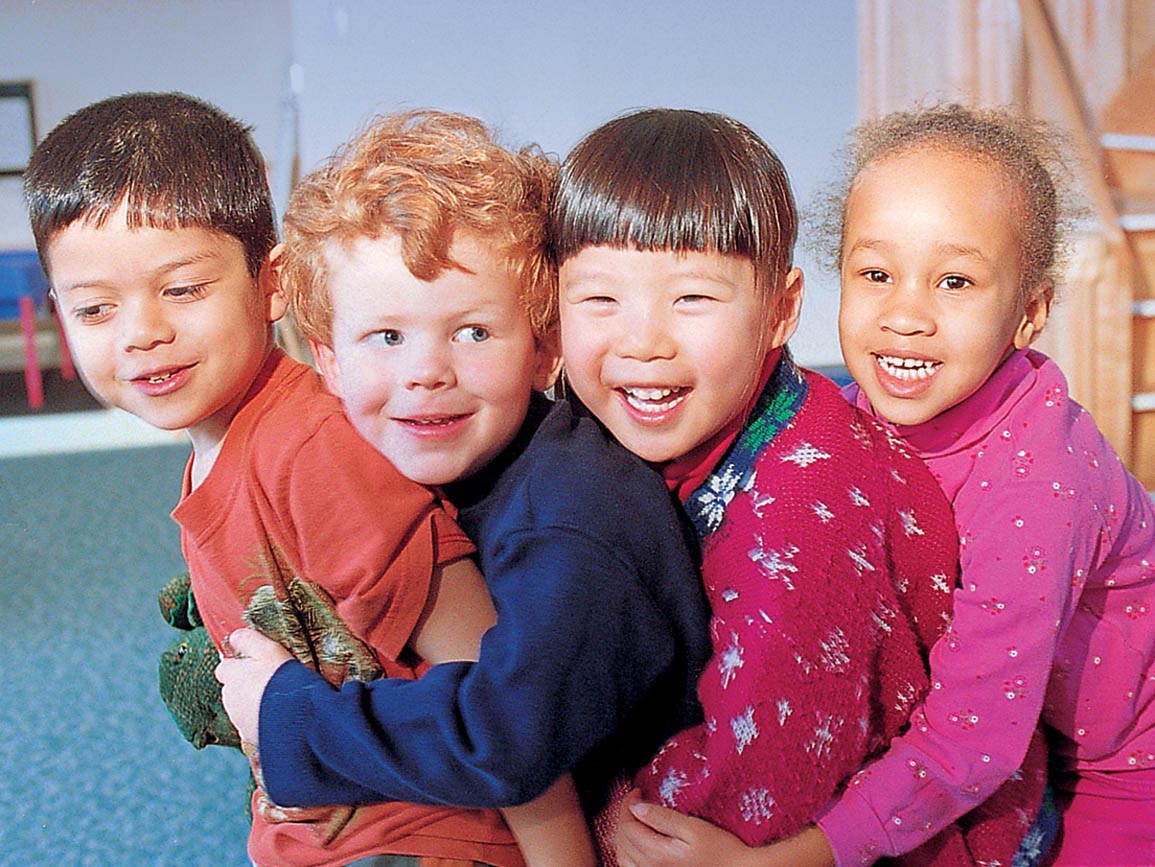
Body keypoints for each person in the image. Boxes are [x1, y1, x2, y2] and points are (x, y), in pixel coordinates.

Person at [23, 92, 566, 867]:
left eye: (182, 289)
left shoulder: (311, 449)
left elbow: (499, 697)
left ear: (271, 283)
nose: (143, 331)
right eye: (97, 308)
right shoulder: (220, 445)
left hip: (426, 837)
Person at [549, 108, 1048, 867]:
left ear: (781, 309)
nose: (642, 340)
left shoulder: (801, 509)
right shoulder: (663, 436)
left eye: (692, 298)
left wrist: (584, 814)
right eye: (598, 299)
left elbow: (759, 788)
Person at [212, 109, 712, 863]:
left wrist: (292, 719)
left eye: (472, 332)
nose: (426, 372)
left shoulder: (575, 516)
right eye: (387, 336)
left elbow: (508, 736)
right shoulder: (411, 464)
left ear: (546, 348)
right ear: (330, 362)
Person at [813, 103, 1155, 866]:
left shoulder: (1039, 479)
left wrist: (803, 852)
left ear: (1028, 312)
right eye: (875, 273)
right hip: (1026, 730)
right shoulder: (840, 420)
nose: (904, 314)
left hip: (1126, 758)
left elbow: (973, 736)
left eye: (954, 281)